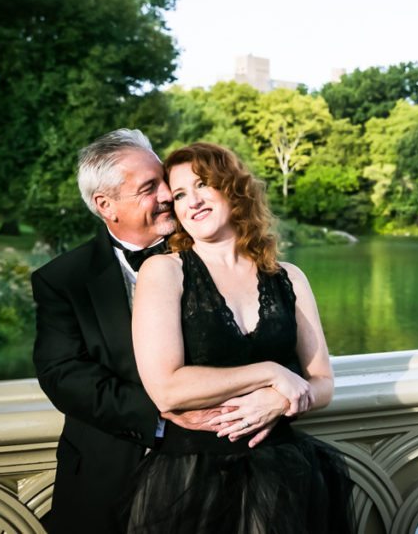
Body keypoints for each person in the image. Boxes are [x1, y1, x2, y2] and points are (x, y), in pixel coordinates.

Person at [127, 142, 354, 533]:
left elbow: (323, 384)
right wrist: (270, 371)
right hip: (192, 480)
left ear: (233, 188)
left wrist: (278, 398)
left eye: (203, 185)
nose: (192, 201)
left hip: (285, 474)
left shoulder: (290, 277)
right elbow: (166, 389)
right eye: (180, 194)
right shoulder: (164, 272)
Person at [32, 129, 230, 533]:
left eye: (164, 181)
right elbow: (64, 375)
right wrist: (166, 412)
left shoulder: (214, 253)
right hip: (108, 476)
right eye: (148, 187)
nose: (166, 194)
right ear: (106, 205)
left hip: (216, 472)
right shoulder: (62, 279)